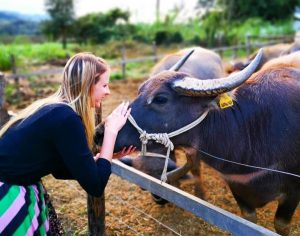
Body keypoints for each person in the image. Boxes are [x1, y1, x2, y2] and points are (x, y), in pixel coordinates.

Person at [0, 52, 135, 235]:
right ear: (88, 84)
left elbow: (59, 169)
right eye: (104, 85)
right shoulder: (66, 118)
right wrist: (111, 131)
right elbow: (95, 185)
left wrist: (105, 156)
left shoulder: (55, 108)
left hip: (17, 183)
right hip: (8, 195)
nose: (108, 91)